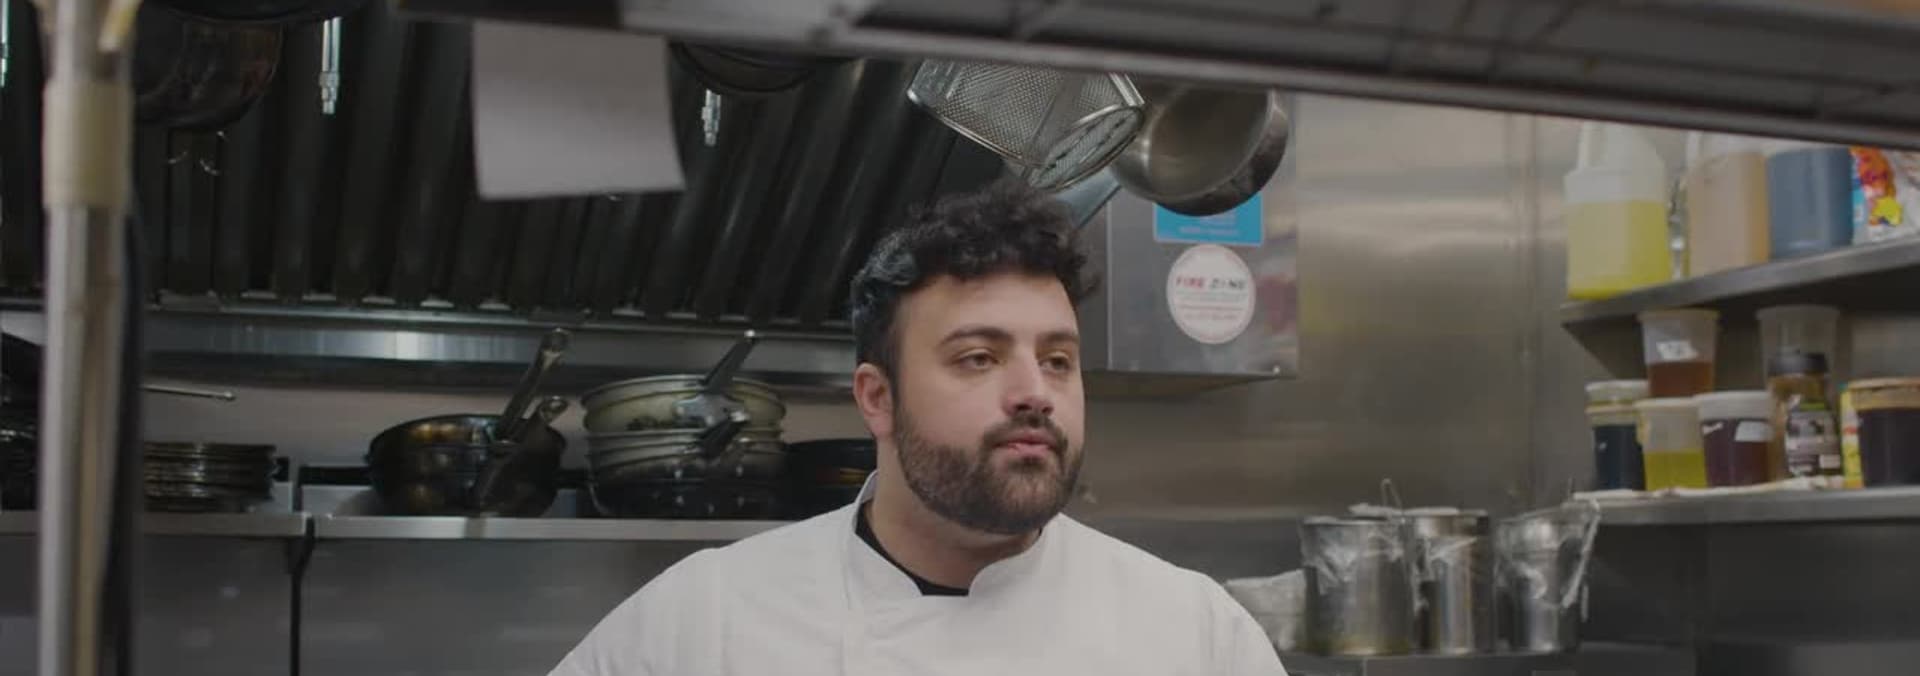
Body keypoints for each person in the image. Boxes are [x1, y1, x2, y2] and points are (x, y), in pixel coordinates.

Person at [549, 180, 1288, 676]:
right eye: (978, 357)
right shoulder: (702, 623)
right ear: (877, 398)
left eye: (1057, 360)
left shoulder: (1196, 637)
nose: (1035, 393)